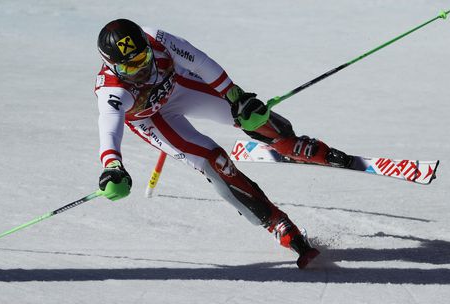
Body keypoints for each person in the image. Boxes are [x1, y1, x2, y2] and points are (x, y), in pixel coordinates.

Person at [95, 19, 352, 268]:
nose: (141, 69)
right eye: (130, 68)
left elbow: (200, 61)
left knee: (249, 116)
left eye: (143, 59)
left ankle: (289, 144)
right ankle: (276, 223)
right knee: (214, 161)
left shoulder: (156, 38)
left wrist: (235, 96)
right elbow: (110, 125)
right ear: (112, 66)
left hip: (178, 90)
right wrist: (112, 165)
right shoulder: (112, 90)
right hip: (153, 119)